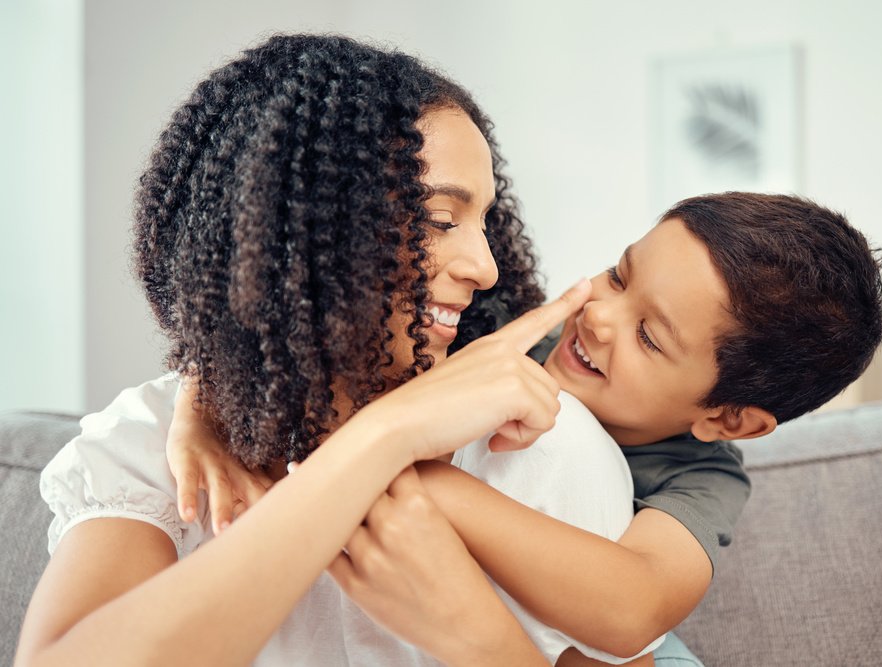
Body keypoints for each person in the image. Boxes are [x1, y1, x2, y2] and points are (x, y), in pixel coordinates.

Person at [14, 33, 595, 667]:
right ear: (301, 235)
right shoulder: (161, 450)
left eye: (484, 219)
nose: (486, 269)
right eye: (438, 220)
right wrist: (385, 436)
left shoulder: (537, 442)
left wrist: (481, 642)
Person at [166, 192, 882, 664]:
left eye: (649, 337)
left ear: (726, 417)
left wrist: (424, 476)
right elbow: (290, 329)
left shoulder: (703, 474)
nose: (600, 316)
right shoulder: (512, 333)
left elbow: (631, 607)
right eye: (618, 273)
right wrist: (196, 405)